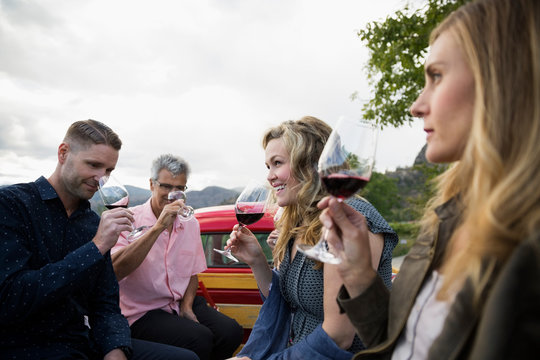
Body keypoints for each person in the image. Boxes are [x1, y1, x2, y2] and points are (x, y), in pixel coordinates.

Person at [320, 0, 540, 358]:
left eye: (436, 76)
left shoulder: (528, 248)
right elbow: (399, 345)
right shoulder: (449, 215)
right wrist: (359, 272)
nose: (416, 104)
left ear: (502, 80)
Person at [0, 120, 198, 359]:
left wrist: (116, 350)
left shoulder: (92, 222)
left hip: (81, 342)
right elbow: (11, 298)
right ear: (63, 153)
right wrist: (97, 247)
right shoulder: (12, 204)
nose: (101, 178)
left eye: (109, 171)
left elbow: (105, 304)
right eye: (93, 165)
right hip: (24, 346)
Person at [226, 116, 398, 359]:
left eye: (277, 163)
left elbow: (339, 337)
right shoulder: (298, 220)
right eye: (268, 166)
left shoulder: (353, 221)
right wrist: (257, 261)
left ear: (311, 164)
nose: (270, 176)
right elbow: (288, 301)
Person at [111, 154, 243, 360]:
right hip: (140, 312)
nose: (173, 195)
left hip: (178, 302)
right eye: (166, 186)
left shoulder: (189, 222)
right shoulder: (129, 220)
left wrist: (187, 306)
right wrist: (158, 227)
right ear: (151, 185)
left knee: (231, 331)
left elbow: (191, 273)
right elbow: (116, 270)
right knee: (200, 338)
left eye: (179, 189)